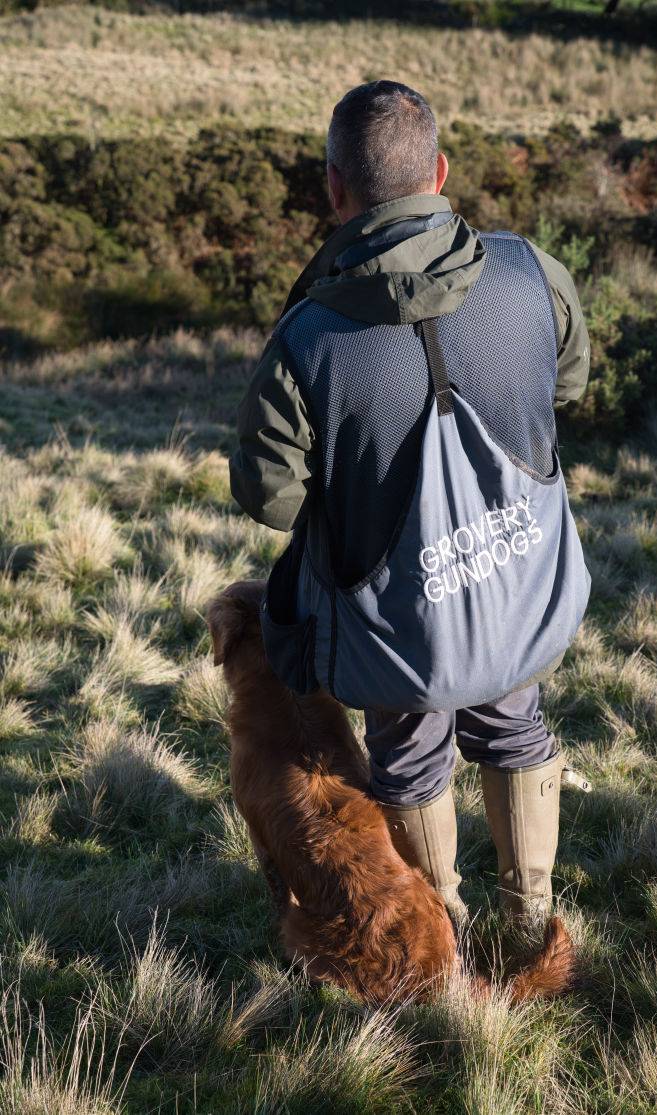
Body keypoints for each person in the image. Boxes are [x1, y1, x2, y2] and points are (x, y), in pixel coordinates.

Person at [229, 80, 590, 925]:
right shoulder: (533, 271)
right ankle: (529, 914)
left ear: (335, 186)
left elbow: (270, 501)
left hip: (398, 624)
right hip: (518, 588)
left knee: (410, 757)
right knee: (515, 723)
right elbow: (567, 382)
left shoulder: (305, 341)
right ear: (441, 171)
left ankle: (445, 927)